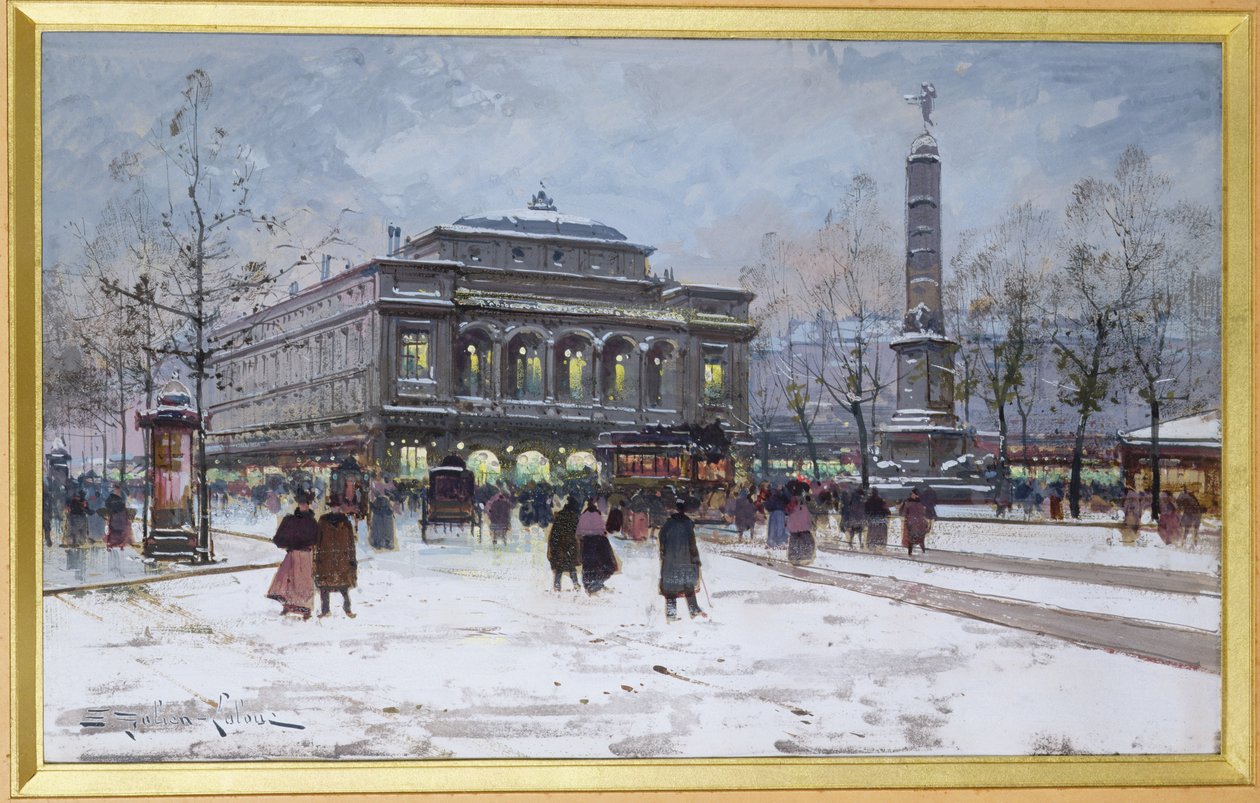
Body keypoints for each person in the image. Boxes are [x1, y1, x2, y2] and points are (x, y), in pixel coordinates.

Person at [266, 490, 318, 619]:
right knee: (289, 580)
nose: (303, 506)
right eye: (301, 504)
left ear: (308, 504)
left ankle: (305, 608)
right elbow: (280, 537)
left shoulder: (312, 521)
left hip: (306, 555)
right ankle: (288, 606)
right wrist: (289, 543)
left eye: (305, 504)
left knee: (304, 582)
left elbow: (315, 538)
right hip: (293, 553)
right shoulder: (291, 519)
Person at [658, 500, 705, 622]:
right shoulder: (688, 524)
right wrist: (696, 559)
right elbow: (692, 544)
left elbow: (661, 537)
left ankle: (671, 614)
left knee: (670, 586)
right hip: (685, 558)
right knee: (688, 583)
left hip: (671, 559)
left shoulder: (668, 524)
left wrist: (663, 552)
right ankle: (693, 609)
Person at [314, 497, 358, 618]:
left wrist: (352, 558)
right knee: (324, 586)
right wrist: (317, 557)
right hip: (326, 557)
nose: (335, 508)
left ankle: (347, 608)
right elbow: (318, 540)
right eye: (333, 506)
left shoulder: (345, 521)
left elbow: (350, 542)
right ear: (330, 507)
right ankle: (325, 610)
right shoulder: (323, 521)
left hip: (341, 559)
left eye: (337, 506)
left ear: (340, 507)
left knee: (343, 586)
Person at [577, 500, 619, 593]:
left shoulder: (583, 515)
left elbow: (578, 532)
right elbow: (603, 530)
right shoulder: (597, 515)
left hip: (587, 542)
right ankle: (597, 584)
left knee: (589, 564)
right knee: (602, 564)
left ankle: (589, 585)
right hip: (598, 541)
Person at [547, 496, 582, 591]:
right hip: (570, 543)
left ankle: (557, 585)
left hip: (559, 543)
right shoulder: (574, 516)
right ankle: (575, 584)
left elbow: (555, 531)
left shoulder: (560, 515)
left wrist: (553, 544)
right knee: (571, 564)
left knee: (560, 565)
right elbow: (577, 531)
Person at [786, 494, 815, 566]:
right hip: (804, 530)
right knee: (807, 543)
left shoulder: (791, 508)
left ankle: (794, 558)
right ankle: (805, 558)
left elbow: (789, 521)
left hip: (794, 531)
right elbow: (808, 520)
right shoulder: (804, 508)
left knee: (795, 544)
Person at [901, 489, 931, 556]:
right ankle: (913, 551)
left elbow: (904, 512)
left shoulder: (910, 502)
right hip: (914, 522)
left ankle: (912, 551)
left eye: (913, 493)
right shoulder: (918, 502)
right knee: (916, 538)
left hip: (914, 522)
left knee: (914, 537)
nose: (912, 494)